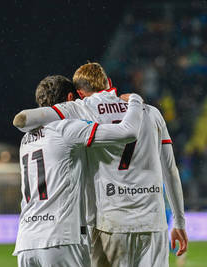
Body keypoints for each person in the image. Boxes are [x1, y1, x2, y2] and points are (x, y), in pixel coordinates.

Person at [13, 63, 188, 267]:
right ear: (109, 83)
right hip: (153, 222)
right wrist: (179, 222)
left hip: (109, 223)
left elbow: (24, 119)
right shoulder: (151, 112)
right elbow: (170, 170)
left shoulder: (80, 110)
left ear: (78, 93)